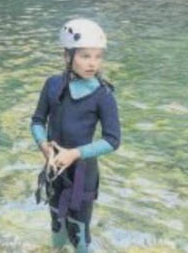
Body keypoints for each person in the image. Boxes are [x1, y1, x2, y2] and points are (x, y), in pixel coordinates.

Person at [30, 18, 121, 253]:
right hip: (54, 168)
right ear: (67, 56)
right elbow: (37, 121)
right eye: (85, 56)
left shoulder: (103, 95)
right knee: (57, 225)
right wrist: (44, 147)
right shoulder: (52, 85)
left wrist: (74, 153)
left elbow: (113, 140)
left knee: (79, 233)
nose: (93, 63)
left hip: (83, 172)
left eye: (98, 56)